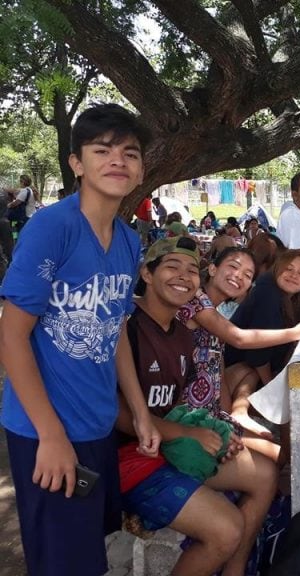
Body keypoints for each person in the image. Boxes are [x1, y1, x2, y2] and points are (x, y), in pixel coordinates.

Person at [0, 103, 160, 576]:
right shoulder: (52, 227)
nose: (117, 161)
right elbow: (11, 336)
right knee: (64, 564)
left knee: (93, 555)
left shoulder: (130, 243)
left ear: (140, 169)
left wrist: (140, 411)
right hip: (44, 429)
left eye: (129, 153)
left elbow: (115, 335)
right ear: (76, 163)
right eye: (102, 150)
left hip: (97, 426)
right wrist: (50, 435)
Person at [119, 236, 278, 576]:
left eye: (191, 270)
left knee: (266, 474)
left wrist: (219, 430)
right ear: (147, 274)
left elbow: (184, 400)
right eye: (172, 267)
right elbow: (115, 411)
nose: (183, 277)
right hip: (134, 456)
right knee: (227, 527)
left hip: (178, 444)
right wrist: (188, 432)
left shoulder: (180, 332)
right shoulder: (126, 325)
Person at [176, 245, 300, 459]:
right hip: (191, 417)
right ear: (212, 269)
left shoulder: (213, 310)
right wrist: (295, 333)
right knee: (277, 457)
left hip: (211, 408)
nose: (238, 276)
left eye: (247, 274)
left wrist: (228, 417)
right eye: (233, 267)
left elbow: (216, 368)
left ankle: (239, 413)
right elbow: (238, 338)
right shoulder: (196, 300)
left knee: (275, 447)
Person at [223, 250, 300, 465]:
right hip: (238, 372)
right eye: (289, 269)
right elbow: (257, 356)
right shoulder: (268, 294)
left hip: (253, 368)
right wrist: (271, 387)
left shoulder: (289, 298)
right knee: (287, 397)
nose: (294, 275)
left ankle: (288, 459)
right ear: (277, 269)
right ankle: (288, 462)